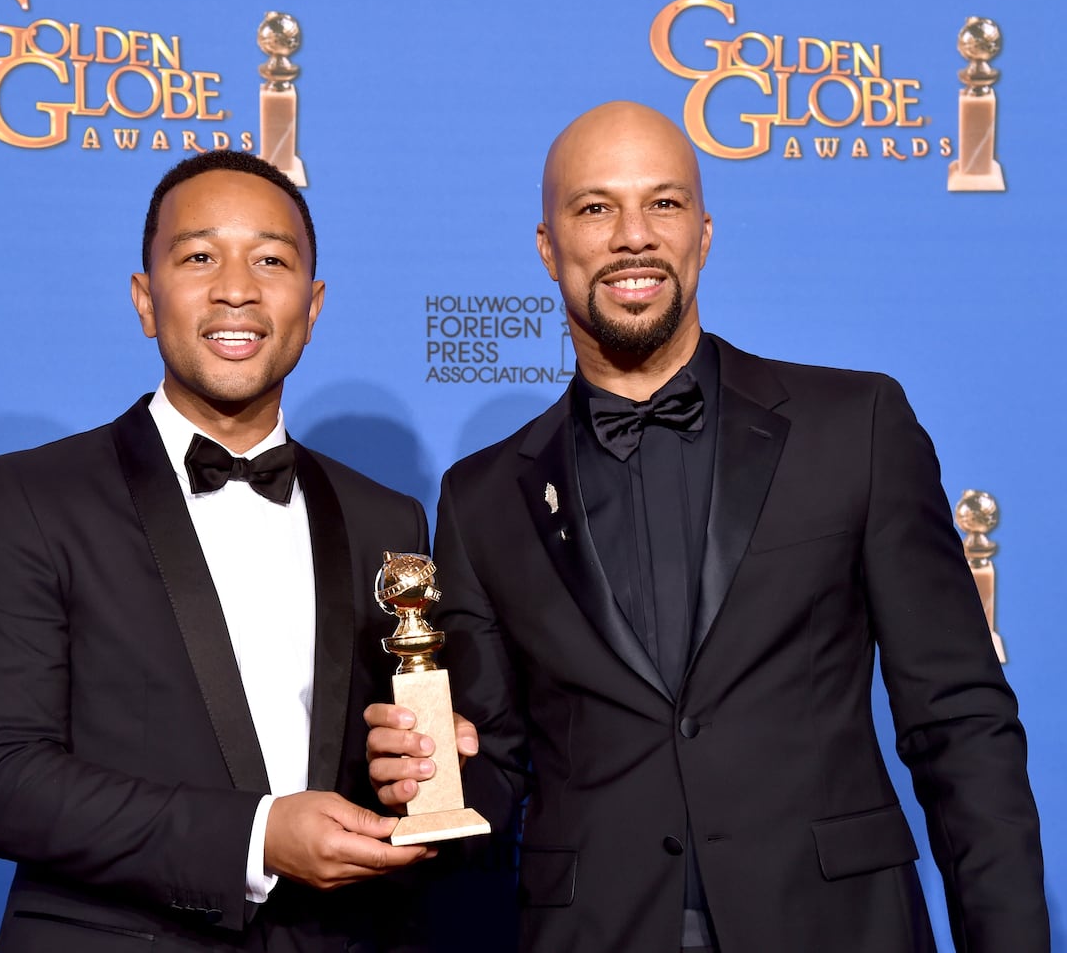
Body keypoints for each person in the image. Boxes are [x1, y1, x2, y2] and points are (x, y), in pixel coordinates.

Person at [366, 101, 1049, 953]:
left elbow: (958, 721)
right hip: (597, 932)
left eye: (663, 203)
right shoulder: (480, 497)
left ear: (703, 231)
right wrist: (440, 779)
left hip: (834, 925)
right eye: (593, 207)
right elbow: (498, 769)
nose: (632, 236)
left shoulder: (855, 425)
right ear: (546, 248)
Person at [0, 150, 438, 952]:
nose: (236, 286)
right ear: (144, 299)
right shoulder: (22, 499)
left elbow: (384, 758)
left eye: (271, 260)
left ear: (312, 305)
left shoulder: (388, 519)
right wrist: (257, 837)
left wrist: (420, 769)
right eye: (198, 256)